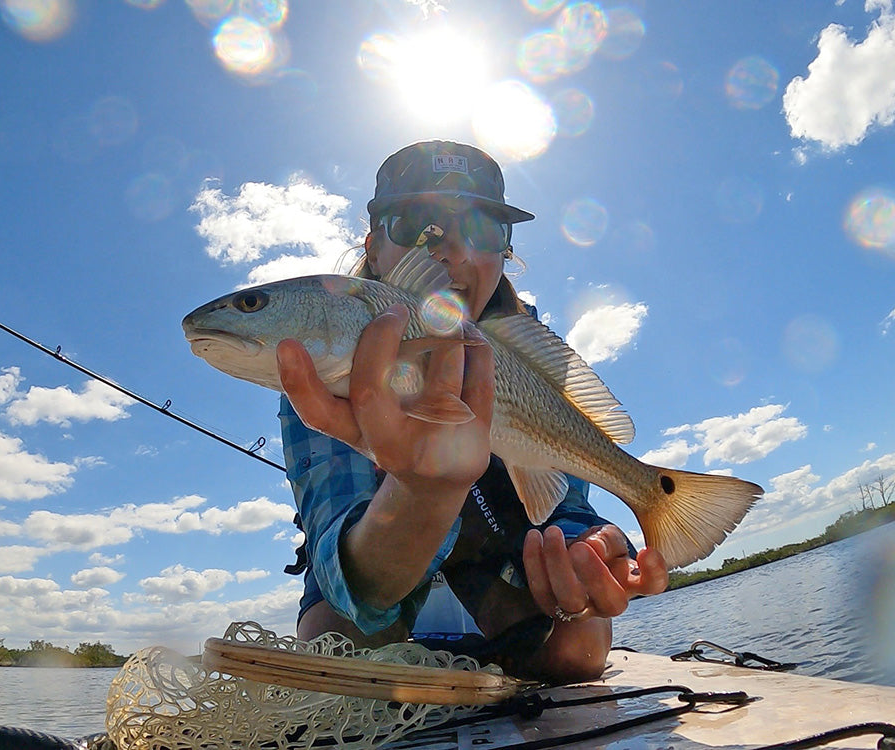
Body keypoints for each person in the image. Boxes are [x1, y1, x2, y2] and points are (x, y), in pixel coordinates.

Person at [276, 140, 668, 683]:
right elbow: (352, 572)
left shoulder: (526, 353)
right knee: (339, 648)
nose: (452, 249)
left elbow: (563, 503)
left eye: (484, 231)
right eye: (417, 224)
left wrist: (587, 547)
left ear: (505, 253)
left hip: (499, 548)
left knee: (581, 646)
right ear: (373, 246)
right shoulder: (322, 365)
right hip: (375, 547)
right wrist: (421, 490)